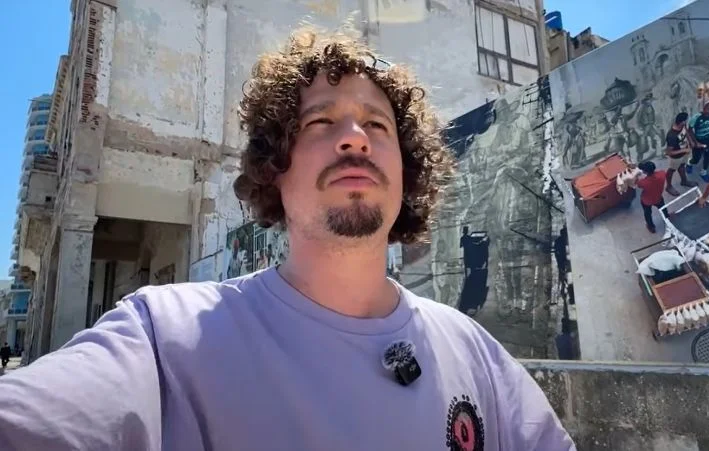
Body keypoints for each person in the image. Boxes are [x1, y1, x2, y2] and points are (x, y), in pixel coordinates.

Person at [0, 27, 575, 451]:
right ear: (275, 166)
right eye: (321, 122)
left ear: (407, 170)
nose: (355, 139)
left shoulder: (476, 353)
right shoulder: (164, 339)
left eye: (377, 125)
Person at [664, 112, 697, 196]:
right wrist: (684, 150)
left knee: (682, 166)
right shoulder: (672, 136)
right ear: (682, 122)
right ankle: (668, 186)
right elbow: (668, 152)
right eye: (686, 120)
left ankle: (684, 181)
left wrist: (690, 141)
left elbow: (686, 132)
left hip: (685, 152)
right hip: (676, 156)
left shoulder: (682, 125)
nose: (687, 121)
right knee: (671, 170)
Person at [635, 161, 670, 233]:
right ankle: (667, 218)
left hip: (647, 200)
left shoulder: (643, 182)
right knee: (663, 208)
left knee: (647, 213)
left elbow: (637, 183)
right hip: (658, 197)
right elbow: (661, 173)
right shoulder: (662, 174)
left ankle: (651, 226)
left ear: (645, 172)